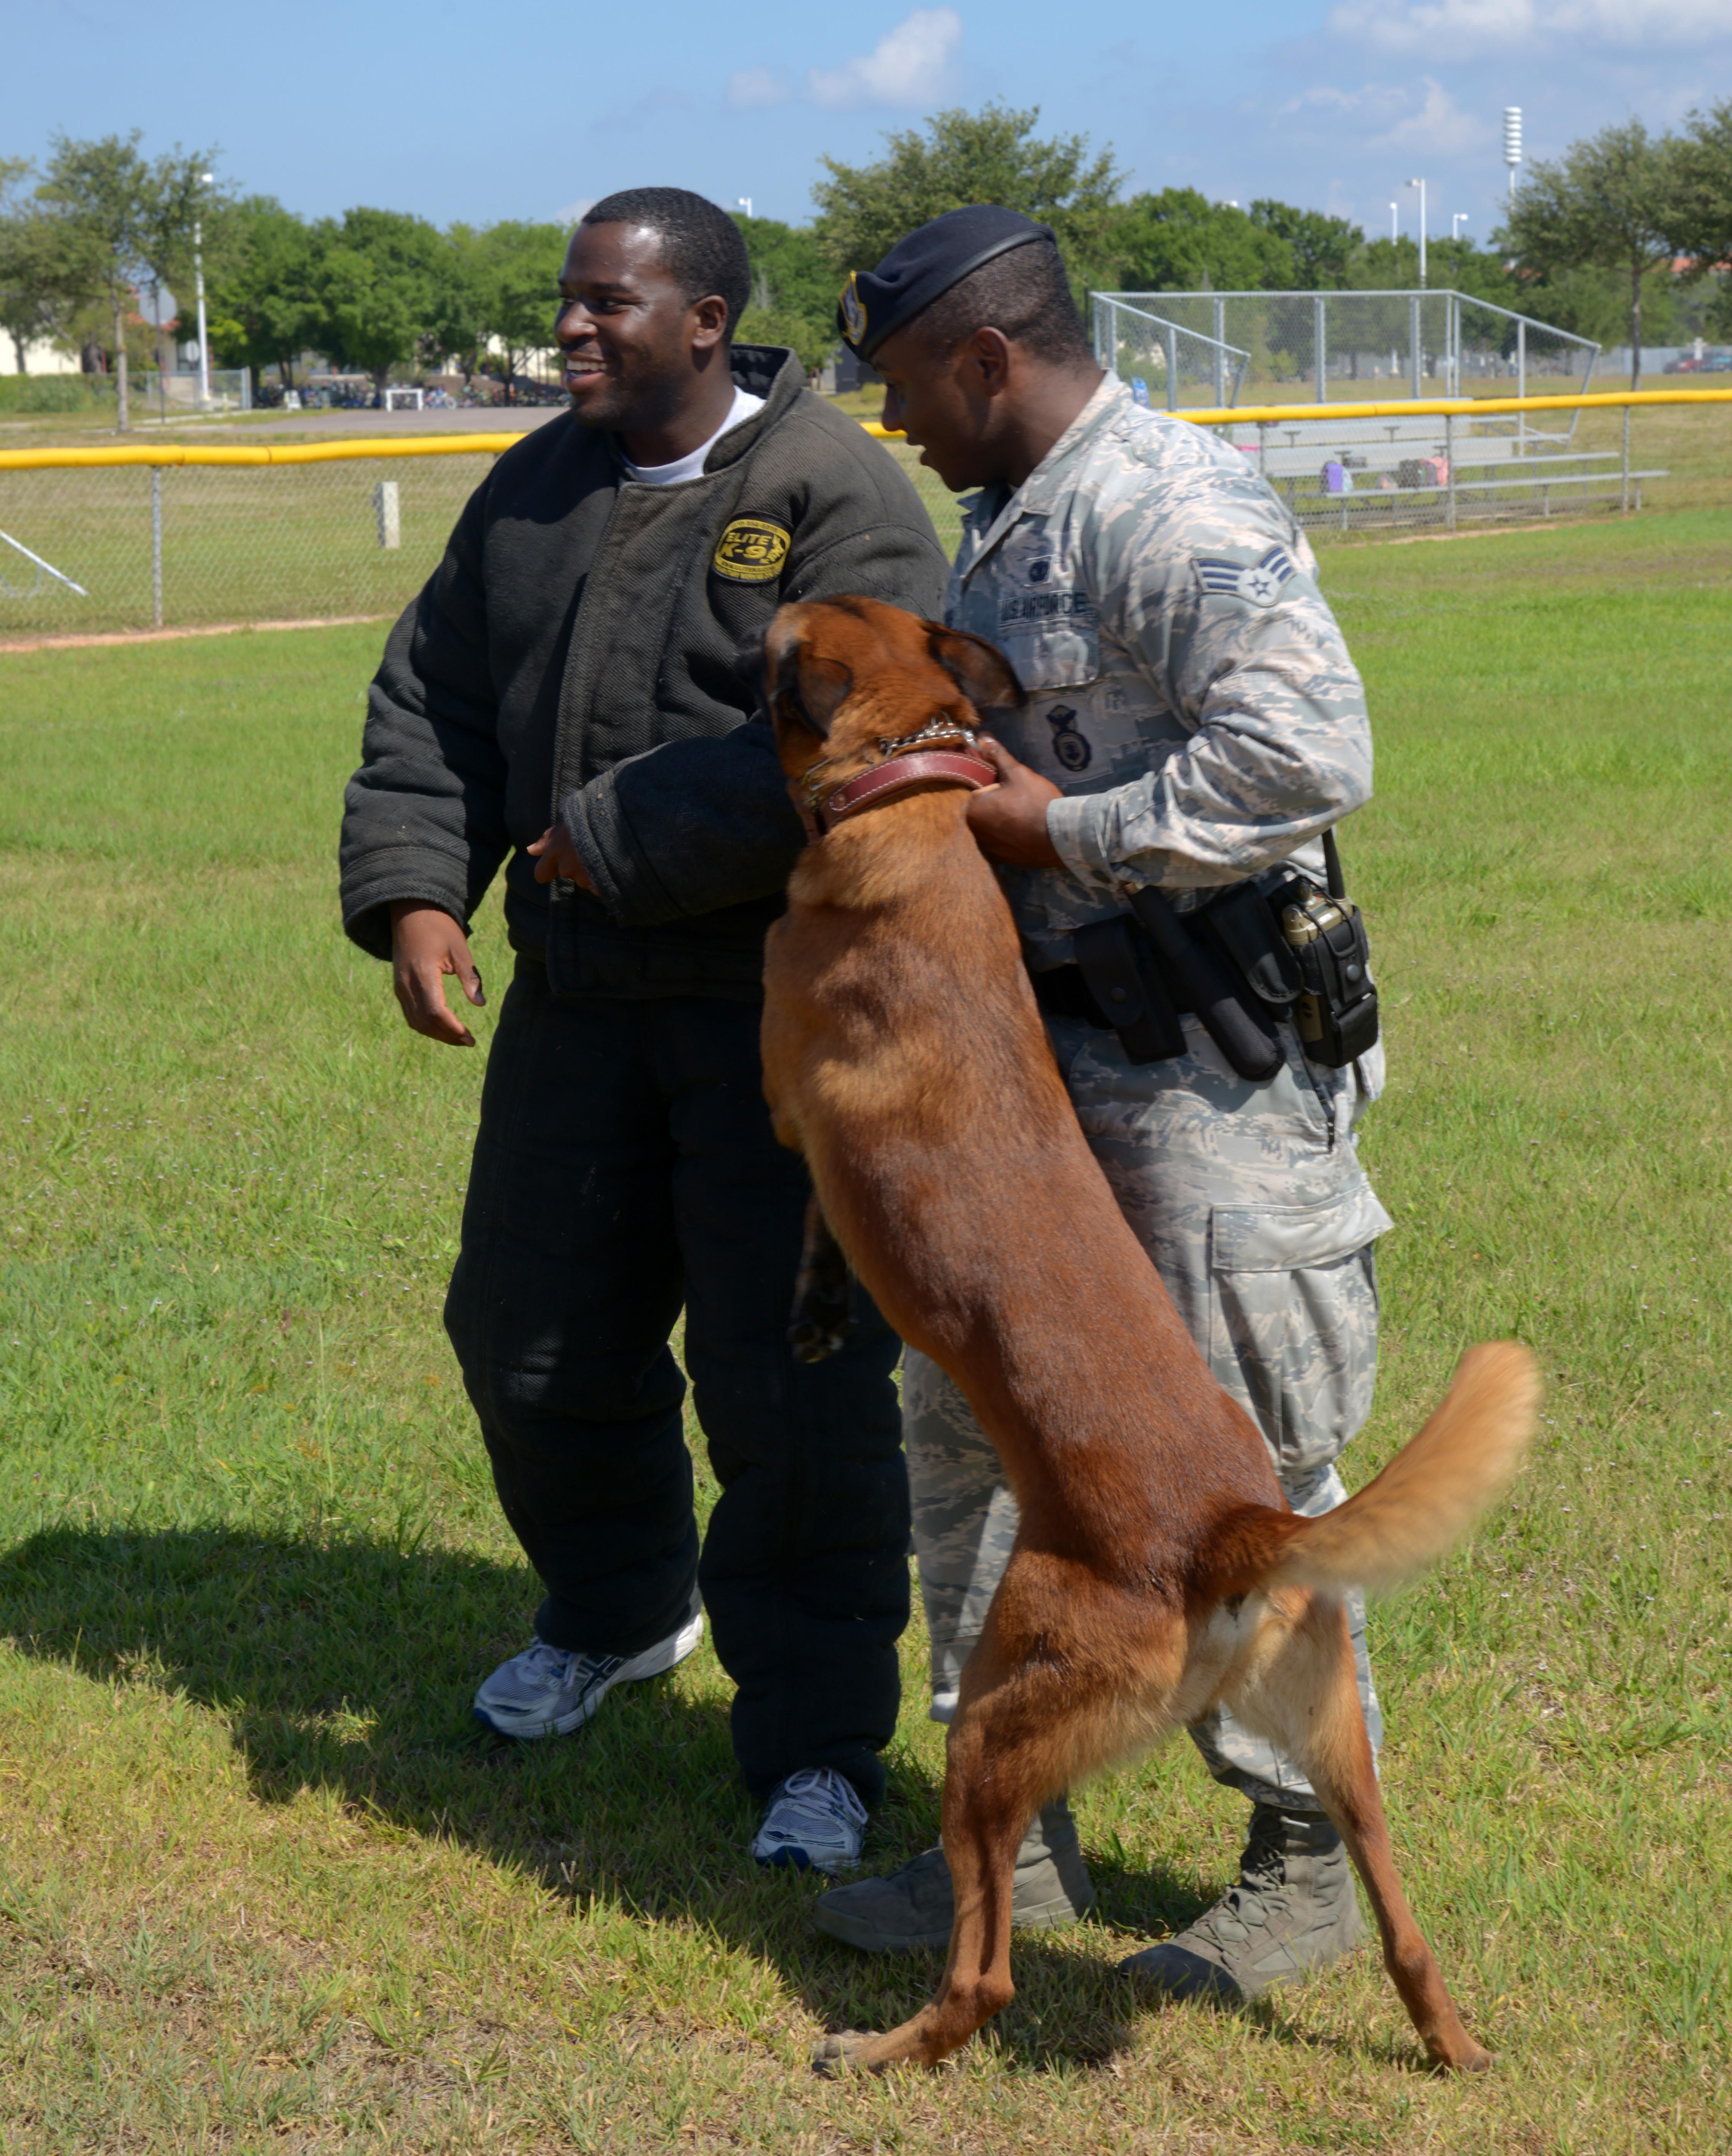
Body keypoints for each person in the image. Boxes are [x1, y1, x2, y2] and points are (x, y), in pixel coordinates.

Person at [812, 206, 1393, 2002]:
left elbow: (1304, 757)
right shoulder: (1012, 517)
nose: (893, 419)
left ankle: (1300, 1863)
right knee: (977, 1439)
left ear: (987, 358)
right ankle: (1017, 1836)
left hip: (1206, 1073)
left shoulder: (1167, 507)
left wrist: (1048, 831)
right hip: (1038, 1086)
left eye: (909, 383)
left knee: (1235, 1482)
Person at [339, 188, 949, 1872]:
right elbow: (434, 699)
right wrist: (417, 892)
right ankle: (615, 1611)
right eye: (568, 302)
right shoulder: (536, 484)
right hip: (579, 1009)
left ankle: (819, 1748)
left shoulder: (831, 493)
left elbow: (877, 733)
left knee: (792, 1393)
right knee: (525, 1337)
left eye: (610, 304)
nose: (575, 330)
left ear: (706, 318)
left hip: (780, 1025)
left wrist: (613, 838)